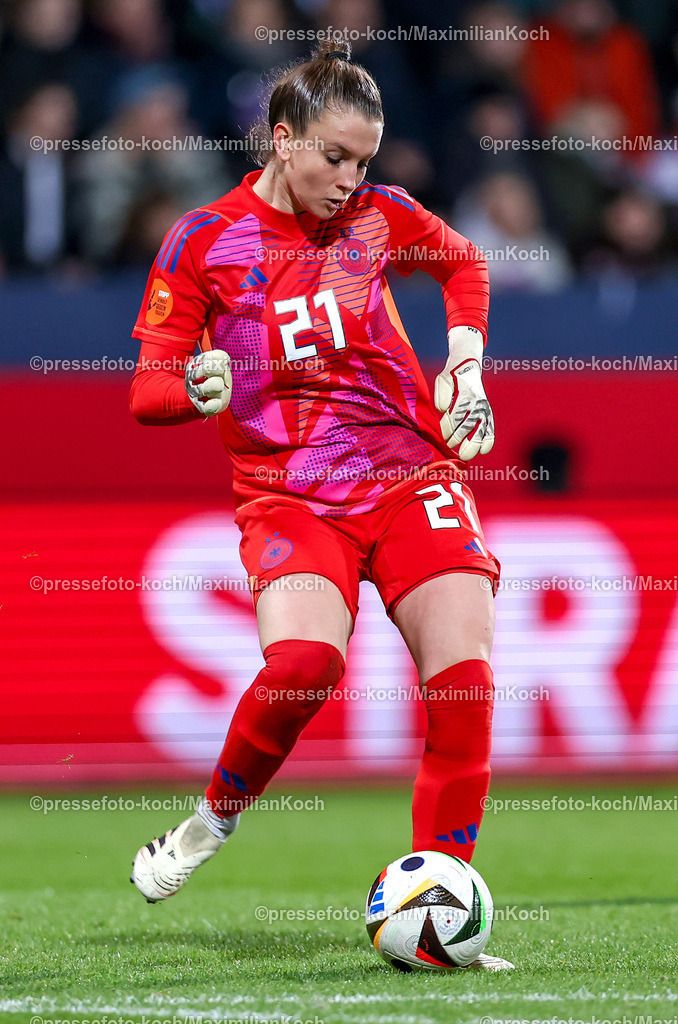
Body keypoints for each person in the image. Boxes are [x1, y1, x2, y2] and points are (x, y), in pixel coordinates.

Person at [128, 38, 512, 972]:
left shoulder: (380, 215)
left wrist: (464, 363)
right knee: (303, 664)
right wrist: (198, 391)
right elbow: (149, 391)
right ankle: (211, 821)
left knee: (462, 685)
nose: (349, 181)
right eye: (333, 157)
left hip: (408, 472)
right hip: (288, 493)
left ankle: (440, 913)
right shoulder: (204, 242)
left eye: (363, 162)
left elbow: (464, 265)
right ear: (282, 137)